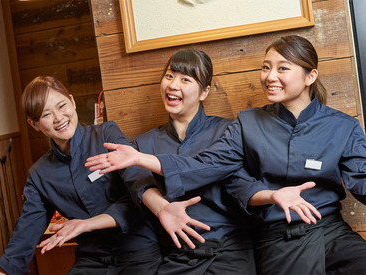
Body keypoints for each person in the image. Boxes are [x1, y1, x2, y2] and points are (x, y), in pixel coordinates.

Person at [86, 35, 366, 274]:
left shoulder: (344, 125)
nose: (270, 76)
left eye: (283, 68)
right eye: (266, 67)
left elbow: (362, 180)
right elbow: (208, 166)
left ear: (310, 76)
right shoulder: (247, 123)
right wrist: (138, 157)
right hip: (278, 237)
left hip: (328, 229)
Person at [0, 76, 162, 275]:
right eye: (46, 114)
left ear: (73, 102)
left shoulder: (106, 134)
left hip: (138, 250)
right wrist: (5, 271)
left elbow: (137, 189)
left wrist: (86, 224)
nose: (59, 118)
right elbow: (27, 227)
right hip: (91, 259)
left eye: (62, 106)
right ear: (34, 124)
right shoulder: (39, 174)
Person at [123, 49, 257, 274]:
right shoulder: (143, 144)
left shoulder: (228, 131)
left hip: (229, 253)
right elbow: (138, 185)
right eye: (169, 76)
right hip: (177, 257)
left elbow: (241, 185)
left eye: (185, 79)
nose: (173, 85)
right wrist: (163, 208)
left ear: (204, 92)